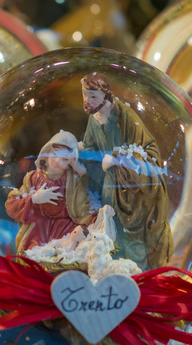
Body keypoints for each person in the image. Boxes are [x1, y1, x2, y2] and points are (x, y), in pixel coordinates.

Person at [79, 72, 172, 270]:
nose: (87, 101)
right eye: (84, 95)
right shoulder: (93, 118)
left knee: (132, 235)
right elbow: (89, 149)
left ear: (106, 96)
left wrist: (117, 158)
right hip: (108, 187)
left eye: (93, 96)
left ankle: (138, 275)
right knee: (112, 231)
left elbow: (149, 152)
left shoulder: (125, 115)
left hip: (131, 191)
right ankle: (114, 272)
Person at [5, 130, 95, 251]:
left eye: (64, 159)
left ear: (71, 163)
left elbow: (84, 208)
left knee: (63, 253)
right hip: (38, 230)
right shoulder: (32, 178)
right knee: (35, 254)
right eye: (54, 155)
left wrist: (98, 218)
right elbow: (12, 206)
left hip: (64, 229)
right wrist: (34, 199)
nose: (57, 162)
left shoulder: (72, 180)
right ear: (46, 154)